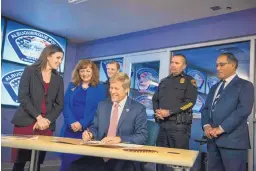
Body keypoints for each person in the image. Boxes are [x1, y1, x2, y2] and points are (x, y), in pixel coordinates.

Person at [68, 72, 148, 171]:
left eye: (116, 88)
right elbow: (95, 127)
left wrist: (120, 139)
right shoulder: (102, 105)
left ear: (126, 89)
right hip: (101, 153)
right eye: (111, 88)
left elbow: (142, 136)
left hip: (123, 157)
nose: (112, 91)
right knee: (74, 167)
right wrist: (90, 134)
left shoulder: (138, 109)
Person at [11, 45, 64, 171]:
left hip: (46, 126)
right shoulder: (29, 71)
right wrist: (38, 118)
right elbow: (23, 97)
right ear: (48, 56)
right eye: (57, 57)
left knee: (36, 164)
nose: (60, 61)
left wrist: (47, 121)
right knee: (19, 163)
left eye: (61, 58)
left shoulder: (58, 79)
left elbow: (60, 104)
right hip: (26, 123)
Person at [201, 53, 254, 171]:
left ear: (233, 65)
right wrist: (206, 126)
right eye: (216, 65)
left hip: (233, 142)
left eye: (221, 64)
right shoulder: (214, 87)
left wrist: (221, 128)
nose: (218, 68)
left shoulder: (245, 85)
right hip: (212, 141)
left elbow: (243, 110)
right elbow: (205, 109)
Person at [152, 54, 197, 171]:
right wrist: (157, 112)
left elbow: (190, 102)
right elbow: (155, 99)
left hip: (179, 128)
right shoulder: (163, 81)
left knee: (179, 162)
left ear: (184, 66)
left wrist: (170, 112)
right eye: (172, 62)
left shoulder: (189, 81)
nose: (173, 65)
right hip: (162, 126)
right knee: (161, 161)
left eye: (177, 63)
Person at [59, 59, 107, 171]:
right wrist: (71, 122)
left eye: (88, 70)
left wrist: (82, 123)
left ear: (93, 72)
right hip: (69, 129)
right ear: (78, 72)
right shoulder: (72, 85)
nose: (85, 74)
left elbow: (98, 109)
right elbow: (65, 104)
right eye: (82, 71)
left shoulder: (100, 88)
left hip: (87, 131)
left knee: (82, 164)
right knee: (66, 161)